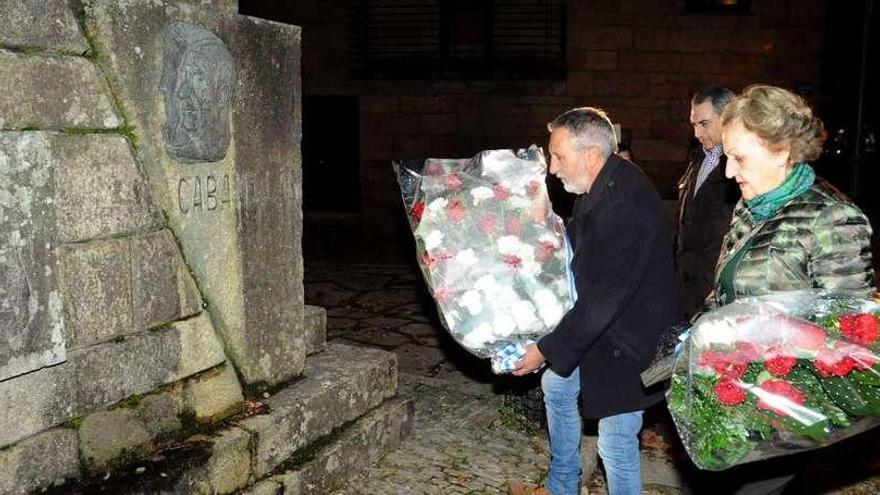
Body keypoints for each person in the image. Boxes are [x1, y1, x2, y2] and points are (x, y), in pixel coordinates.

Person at [693, 85, 875, 494]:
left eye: (739, 158)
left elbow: (851, 338)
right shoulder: (751, 202)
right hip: (735, 399)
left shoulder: (834, 220)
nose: (728, 172)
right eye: (726, 157)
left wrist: (780, 380)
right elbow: (724, 291)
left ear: (782, 151)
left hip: (785, 415)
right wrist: (701, 339)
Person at [509, 107, 682, 495]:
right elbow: (580, 247)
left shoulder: (622, 203)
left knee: (616, 441)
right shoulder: (601, 184)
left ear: (590, 155)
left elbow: (601, 301)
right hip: (610, 330)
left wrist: (544, 349)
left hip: (631, 341)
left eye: (559, 157)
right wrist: (546, 225)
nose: (553, 168)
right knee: (557, 385)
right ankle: (562, 485)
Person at [676, 86, 740, 320]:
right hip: (687, 291)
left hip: (717, 295)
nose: (696, 133)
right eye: (693, 124)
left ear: (727, 118)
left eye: (704, 124)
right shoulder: (697, 158)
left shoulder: (740, 167)